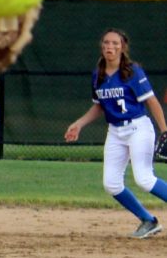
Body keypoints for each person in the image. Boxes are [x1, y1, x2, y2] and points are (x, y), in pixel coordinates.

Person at [64, 27, 167, 238]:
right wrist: (79, 124)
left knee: (144, 179)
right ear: (102, 47)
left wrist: (165, 131)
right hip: (116, 132)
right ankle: (148, 221)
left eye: (114, 43)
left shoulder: (132, 71)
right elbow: (99, 106)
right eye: (106, 43)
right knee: (111, 184)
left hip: (138, 127)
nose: (110, 46)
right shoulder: (98, 75)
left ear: (123, 47)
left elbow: (152, 101)